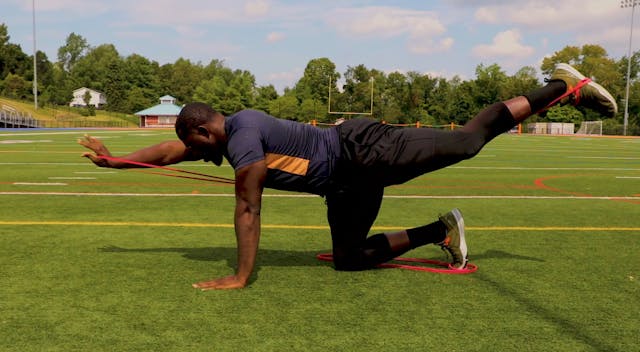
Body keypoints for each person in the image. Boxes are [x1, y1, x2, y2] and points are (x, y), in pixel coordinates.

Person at [80, 63, 617, 290]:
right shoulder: (222, 135)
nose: (192, 149)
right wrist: (115, 161)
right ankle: (439, 232)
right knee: (348, 260)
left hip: (364, 149)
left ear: (205, 130)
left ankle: (560, 86)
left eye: (193, 139)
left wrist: (240, 276)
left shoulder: (242, 137)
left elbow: (247, 208)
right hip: (348, 183)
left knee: (468, 140)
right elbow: (170, 151)